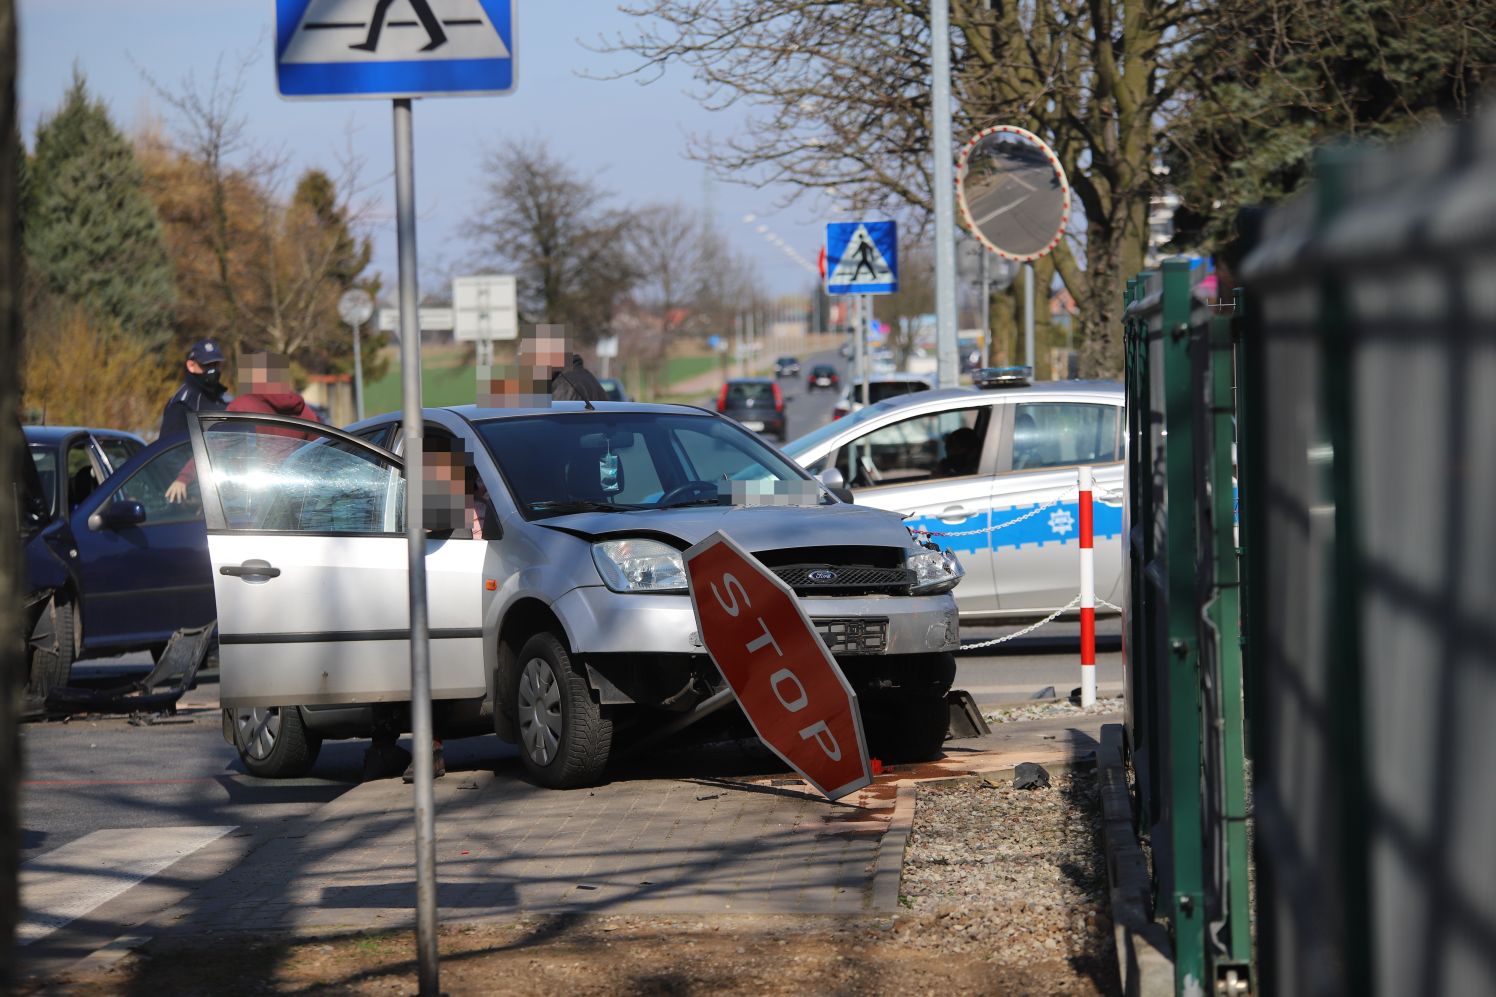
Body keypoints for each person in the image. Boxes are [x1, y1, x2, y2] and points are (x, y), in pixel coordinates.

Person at [166, 351, 322, 503]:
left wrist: (183, 478)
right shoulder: (302, 409)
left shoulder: (243, 405)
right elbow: (321, 449)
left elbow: (213, 446)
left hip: (254, 494)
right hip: (297, 493)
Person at [159, 338, 229, 441]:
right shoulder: (182, 404)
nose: (213, 370)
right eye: (206, 365)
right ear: (191, 366)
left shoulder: (221, 398)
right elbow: (169, 449)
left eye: (216, 365)